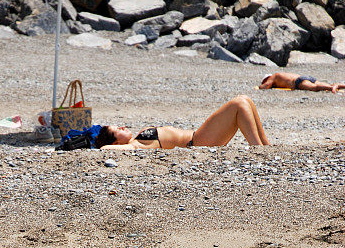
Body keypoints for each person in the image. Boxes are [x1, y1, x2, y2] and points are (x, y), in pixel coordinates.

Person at [96, 95, 270, 150]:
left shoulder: (139, 139)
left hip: (198, 138)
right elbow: (104, 149)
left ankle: (266, 148)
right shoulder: (135, 145)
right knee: (238, 103)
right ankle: (258, 150)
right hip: (197, 143)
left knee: (245, 100)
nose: (122, 126)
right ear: (116, 142)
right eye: (117, 129)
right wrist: (110, 146)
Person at [258, 71, 345, 92]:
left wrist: (259, 87)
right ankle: (339, 85)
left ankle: (331, 87)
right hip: (304, 77)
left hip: (298, 81)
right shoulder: (281, 74)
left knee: (315, 88)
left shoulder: (274, 76)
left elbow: (266, 86)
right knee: (320, 84)